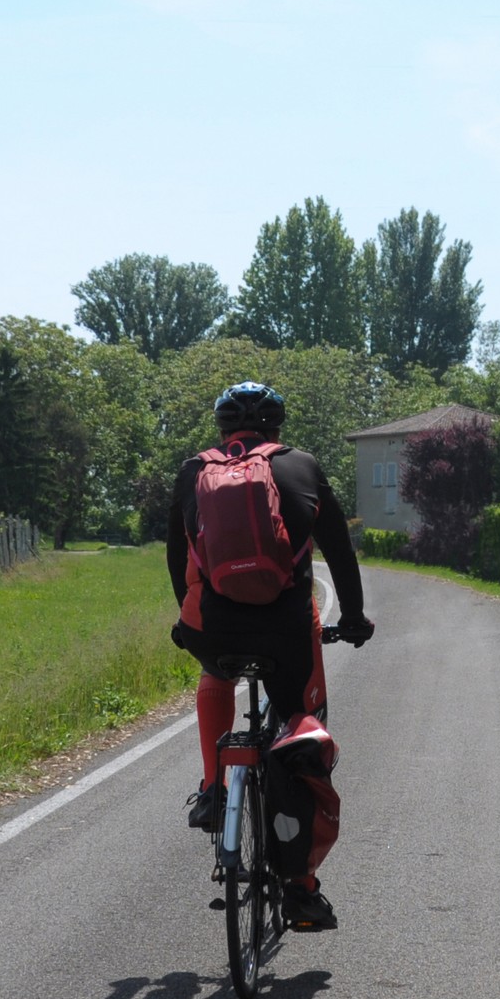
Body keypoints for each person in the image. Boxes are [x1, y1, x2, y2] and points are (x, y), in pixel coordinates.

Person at [169, 380, 374, 932]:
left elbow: (177, 561)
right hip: (286, 632)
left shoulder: (194, 472)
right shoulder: (302, 466)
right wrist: (352, 618)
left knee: (216, 670)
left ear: (222, 429)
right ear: (278, 429)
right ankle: (301, 890)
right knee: (300, 739)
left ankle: (214, 787)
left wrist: (189, 625)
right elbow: (339, 552)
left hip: (214, 628)